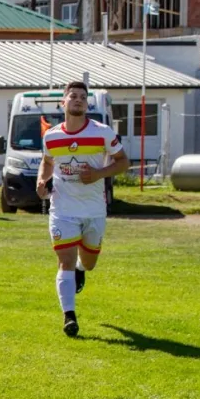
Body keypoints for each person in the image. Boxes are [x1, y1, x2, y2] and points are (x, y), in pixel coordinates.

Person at [36, 81, 129, 337]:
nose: (78, 100)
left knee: (88, 263)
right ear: (63, 103)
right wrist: (41, 182)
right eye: (73, 96)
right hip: (62, 209)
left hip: (93, 211)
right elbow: (47, 163)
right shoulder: (51, 136)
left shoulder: (103, 132)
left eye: (82, 97)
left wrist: (99, 173)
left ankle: (80, 270)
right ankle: (69, 317)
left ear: (87, 104)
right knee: (63, 261)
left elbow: (123, 162)